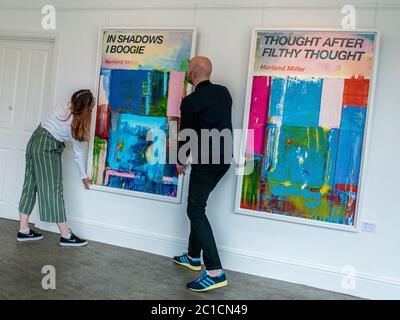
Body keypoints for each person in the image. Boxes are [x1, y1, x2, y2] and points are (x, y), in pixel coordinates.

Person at [173, 56, 233, 292]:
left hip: (207, 161)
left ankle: (215, 272)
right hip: (224, 160)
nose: (187, 71)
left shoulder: (190, 101)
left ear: (195, 73)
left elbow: (187, 134)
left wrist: (179, 160)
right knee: (199, 206)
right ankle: (193, 257)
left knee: (195, 209)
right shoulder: (224, 92)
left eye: (188, 68)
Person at [17, 89, 94, 247]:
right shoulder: (74, 124)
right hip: (47, 148)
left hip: (35, 140)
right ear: (87, 110)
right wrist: (84, 177)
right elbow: (78, 155)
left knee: (30, 186)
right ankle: (66, 235)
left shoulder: (64, 106)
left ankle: (23, 230)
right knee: (54, 189)